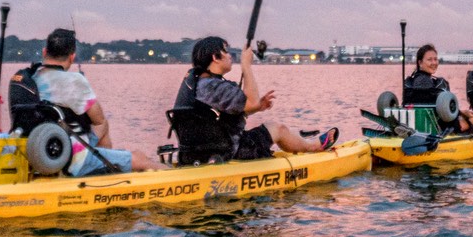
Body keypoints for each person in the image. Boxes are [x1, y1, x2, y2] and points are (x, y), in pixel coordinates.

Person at [174, 36, 339, 161]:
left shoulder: (198, 83)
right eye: (225, 51)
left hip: (194, 155)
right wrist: (246, 66)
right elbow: (250, 102)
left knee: (270, 128)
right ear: (215, 58)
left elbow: (240, 109)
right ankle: (314, 146)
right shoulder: (215, 87)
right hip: (228, 152)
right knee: (277, 128)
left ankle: (301, 143)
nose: (230, 55)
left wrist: (258, 107)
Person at [20, 27, 159, 175]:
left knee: (102, 128)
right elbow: (98, 119)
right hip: (73, 158)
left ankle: (106, 167)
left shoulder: (30, 79)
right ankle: (110, 170)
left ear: (44, 52)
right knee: (140, 158)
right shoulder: (75, 81)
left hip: (41, 151)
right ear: (72, 57)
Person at [402, 43, 473, 132]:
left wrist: (461, 112)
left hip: (425, 121)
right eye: (429, 60)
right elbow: (433, 108)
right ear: (420, 62)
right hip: (437, 125)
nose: (434, 63)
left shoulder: (414, 81)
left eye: (435, 59)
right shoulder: (423, 81)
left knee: (468, 116)